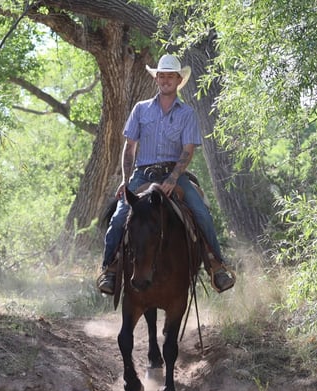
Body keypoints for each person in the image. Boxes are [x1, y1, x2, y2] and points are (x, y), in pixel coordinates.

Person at [97, 54, 235, 295]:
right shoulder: (140, 109)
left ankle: (216, 266)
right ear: (156, 79)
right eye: (162, 76)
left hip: (175, 174)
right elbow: (130, 147)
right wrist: (125, 181)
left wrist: (172, 179)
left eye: (170, 76)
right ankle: (110, 269)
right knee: (119, 218)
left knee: (201, 213)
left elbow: (188, 150)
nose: (165, 80)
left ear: (179, 80)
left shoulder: (187, 113)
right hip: (142, 174)